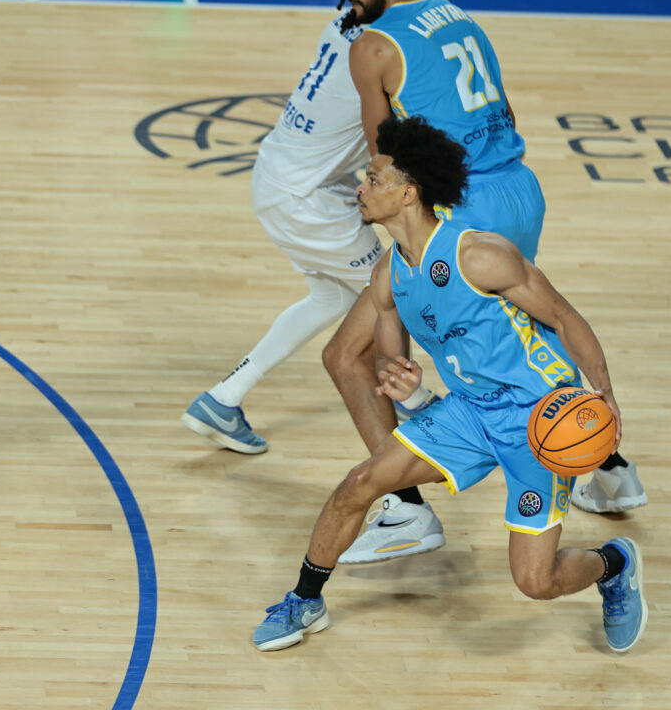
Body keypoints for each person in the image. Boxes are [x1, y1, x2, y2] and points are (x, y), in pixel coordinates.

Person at [252, 115, 646, 654]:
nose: (359, 188)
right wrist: (405, 380)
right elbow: (392, 358)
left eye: (373, 179)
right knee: (359, 483)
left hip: (541, 418)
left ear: (408, 193)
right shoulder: (389, 273)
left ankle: (613, 563)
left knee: (535, 582)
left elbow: (562, 316)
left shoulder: (478, 254)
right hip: (469, 411)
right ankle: (305, 599)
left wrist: (604, 392)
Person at [327, 0, 647, 565]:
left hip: (464, 201)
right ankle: (604, 458)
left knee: (347, 355)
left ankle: (407, 510)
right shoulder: (454, 13)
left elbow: (387, 157)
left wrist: (405, 208)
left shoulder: (373, 46)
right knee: (516, 320)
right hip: (518, 187)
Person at [180, 0, 445, 455]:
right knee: (395, 290)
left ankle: (222, 401)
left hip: (289, 178)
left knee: (333, 297)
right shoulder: (380, 50)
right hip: (306, 198)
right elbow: (385, 142)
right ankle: (411, 401)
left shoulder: (346, 25)